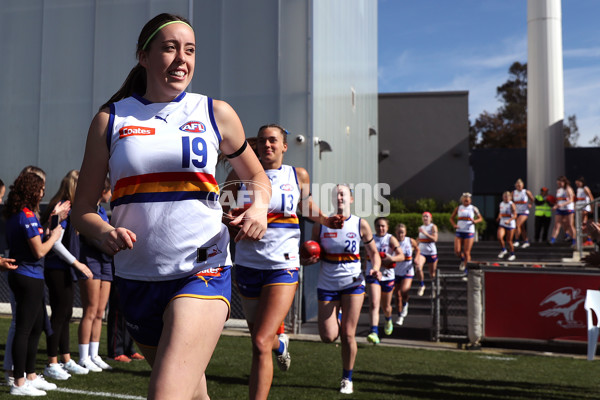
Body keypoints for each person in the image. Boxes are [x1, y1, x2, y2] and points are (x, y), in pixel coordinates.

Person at [71, 13, 270, 400]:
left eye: (190, 50)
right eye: (170, 47)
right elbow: (82, 210)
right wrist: (104, 231)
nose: (182, 58)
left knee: (165, 395)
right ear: (143, 57)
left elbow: (257, 178)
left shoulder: (215, 112)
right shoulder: (109, 120)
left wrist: (259, 209)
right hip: (136, 280)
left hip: (202, 270)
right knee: (193, 394)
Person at [223, 124, 343, 400]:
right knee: (261, 344)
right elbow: (221, 211)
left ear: (284, 146)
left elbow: (304, 205)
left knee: (260, 340)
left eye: (273, 141)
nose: (267, 145)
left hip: (283, 264)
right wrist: (236, 223)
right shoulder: (239, 174)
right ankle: (281, 345)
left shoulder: (296, 174)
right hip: (248, 264)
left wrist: (325, 219)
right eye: (263, 141)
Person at [303, 184, 381, 395]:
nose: (339, 197)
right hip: (327, 284)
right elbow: (310, 255)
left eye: (343, 193)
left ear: (351, 199)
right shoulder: (321, 224)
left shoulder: (359, 224)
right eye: (336, 194)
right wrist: (308, 259)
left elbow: (374, 253)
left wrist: (375, 268)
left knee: (348, 334)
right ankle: (336, 318)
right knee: (328, 337)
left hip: (353, 283)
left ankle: (347, 378)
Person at [3, 172, 62, 396]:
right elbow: (39, 251)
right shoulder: (25, 215)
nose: (42, 193)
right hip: (28, 276)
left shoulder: (18, 213)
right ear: (31, 191)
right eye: (40, 190)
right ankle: (19, 382)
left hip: (28, 276)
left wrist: (50, 225)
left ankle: (29, 375)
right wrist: (55, 236)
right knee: (25, 329)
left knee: (35, 327)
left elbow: (35, 241)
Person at [41, 170, 92, 380]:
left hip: (64, 269)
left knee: (66, 314)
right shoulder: (63, 207)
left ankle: (65, 358)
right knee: (60, 315)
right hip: (57, 269)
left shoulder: (68, 206)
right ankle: (52, 362)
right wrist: (78, 264)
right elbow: (55, 243)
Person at [75, 178, 114, 372]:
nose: (111, 195)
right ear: (102, 191)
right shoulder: (89, 211)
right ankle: (83, 357)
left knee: (100, 312)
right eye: (109, 191)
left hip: (105, 262)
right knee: (90, 310)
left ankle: (94, 354)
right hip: (90, 260)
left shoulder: (101, 212)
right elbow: (91, 237)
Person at [365, 217, 403, 344]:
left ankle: (388, 318)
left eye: (383, 226)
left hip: (387, 275)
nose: (380, 228)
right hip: (373, 274)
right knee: (374, 303)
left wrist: (391, 259)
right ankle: (374, 332)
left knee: (386, 306)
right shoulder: (370, 239)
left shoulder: (390, 239)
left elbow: (401, 256)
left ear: (387, 227)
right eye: (378, 226)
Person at [449, 192, 483, 275]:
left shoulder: (473, 208)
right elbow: (451, 218)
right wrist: (454, 225)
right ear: (462, 200)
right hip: (460, 231)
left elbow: (480, 218)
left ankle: (467, 271)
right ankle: (463, 260)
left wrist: (475, 221)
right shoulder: (458, 208)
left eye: (468, 199)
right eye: (465, 199)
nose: (466, 201)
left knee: (467, 252)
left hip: (469, 231)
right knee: (457, 251)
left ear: (470, 200)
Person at [393, 223, 419, 327]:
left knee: (404, 291)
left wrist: (417, 258)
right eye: (399, 232)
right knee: (397, 295)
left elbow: (418, 249)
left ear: (405, 233)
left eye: (402, 232)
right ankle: (400, 315)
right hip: (395, 272)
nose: (400, 235)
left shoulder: (410, 241)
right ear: (396, 233)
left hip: (407, 271)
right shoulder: (393, 242)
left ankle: (406, 303)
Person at [414, 211, 438, 297]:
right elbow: (419, 238)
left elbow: (435, 239)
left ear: (430, 218)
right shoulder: (421, 227)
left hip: (431, 252)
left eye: (427, 216)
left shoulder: (433, 227)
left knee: (432, 274)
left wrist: (425, 233)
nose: (425, 218)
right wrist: (413, 246)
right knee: (418, 267)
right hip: (422, 252)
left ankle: (434, 287)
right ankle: (421, 285)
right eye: (424, 216)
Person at [550, 176, 576, 245]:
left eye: (560, 183)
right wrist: (555, 206)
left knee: (570, 224)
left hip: (568, 209)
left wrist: (562, 204)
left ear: (564, 182)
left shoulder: (568, 189)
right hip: (560, 209)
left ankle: (574, 240)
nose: (559, 184)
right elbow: (558, 200)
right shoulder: (558, 190)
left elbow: (571, 200)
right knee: (557, 224)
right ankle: (552, 239)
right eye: (558, 183)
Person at [512, 179, 534, 248]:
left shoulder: (526, 192)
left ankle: (517, 240)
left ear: (523, 185)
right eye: (518, 185)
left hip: (524, 211)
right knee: (522, 227)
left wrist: (530, 204)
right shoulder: (513, 192)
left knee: (517, 225)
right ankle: (526, 241)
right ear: (516, 186)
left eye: (520, 185)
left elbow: (532, 199)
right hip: (517, 211)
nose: (519, 187)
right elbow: (511, 201)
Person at [497, 191, 517, 261]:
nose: (506, 198)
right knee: (499, 237)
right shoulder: (501, 203)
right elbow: (500, 212)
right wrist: (499, 217)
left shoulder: (511, 204)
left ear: (510, 197)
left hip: (510, 224)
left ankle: (512, 254)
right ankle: (503, 249)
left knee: (509, 240)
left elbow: (515, 215)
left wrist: (509, 220)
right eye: (505, 197)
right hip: (502, 223)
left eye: (507, 197)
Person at [575, 177, 594, 245]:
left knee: (584, 224)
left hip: (584, 208)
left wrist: (592, 208)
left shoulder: (585, 188)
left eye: (578, 183)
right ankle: (585, 239)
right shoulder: (578, 189)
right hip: (579, 208)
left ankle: (588, 239)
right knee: (581, 225)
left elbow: (591, 197)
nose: (577, 184)